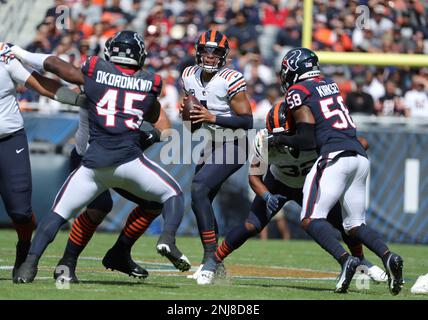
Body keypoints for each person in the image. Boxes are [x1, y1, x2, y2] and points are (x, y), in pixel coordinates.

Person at [12, 30, 185, 284]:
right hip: (98, 157)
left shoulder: (94, 72)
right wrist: (147, 134)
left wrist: (20, 56)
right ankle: (68, 262)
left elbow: (56, 70)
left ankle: (118, 253)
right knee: (103, 206)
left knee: (149, 204)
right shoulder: (147, 82)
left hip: (97, 159)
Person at [197, 101, 386, 285]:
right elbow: (254, 177)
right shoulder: (263, 141)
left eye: (286, 135)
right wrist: (267, 196)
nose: (280, 142)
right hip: (279, 182)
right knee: (251, 225)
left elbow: (360, 143)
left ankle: (361, 262)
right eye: (275, 135)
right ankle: (213, 262)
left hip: (311, 185)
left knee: (344, 223)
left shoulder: (315, 136)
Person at [268, 48, 404, 295]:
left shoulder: (298, 91)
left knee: (310, 219)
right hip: (359, 157)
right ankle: (388, 255)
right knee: (354, 224)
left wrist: (278, 140)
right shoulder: (328, 83)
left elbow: (307, 138)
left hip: (334, 156)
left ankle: (345, 260)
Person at [0, 43, 86, 281]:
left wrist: (79, 101)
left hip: (8, 140)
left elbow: (42, 85)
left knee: (20, 210)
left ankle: (24, 247)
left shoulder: (4, 58)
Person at [180, 30, 253, 282]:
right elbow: (192, 126)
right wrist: (187, 115)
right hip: (211, 142)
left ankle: (211, 260)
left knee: (199, 188)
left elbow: (247, 121)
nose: (210, 57)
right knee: (200, 197)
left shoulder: (231, 78)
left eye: (216, 53)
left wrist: (212, 117)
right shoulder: (188, 75)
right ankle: (213, 262)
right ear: (198, 51)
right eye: (206, 51)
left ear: (224, 56)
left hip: (235, 142)